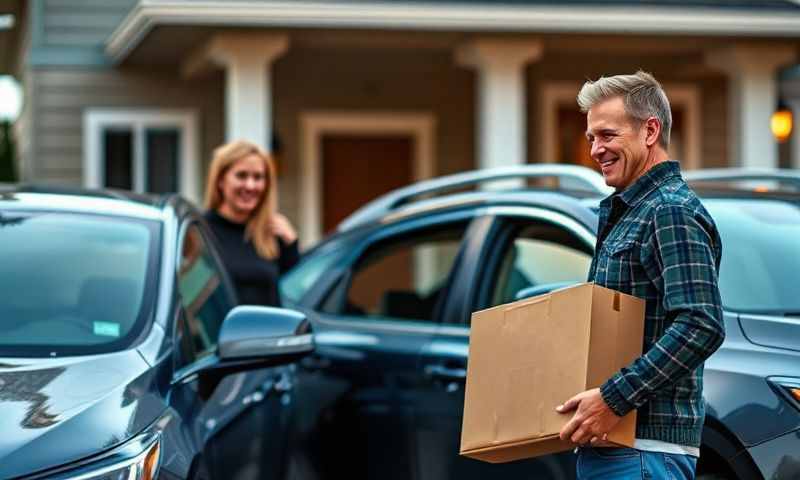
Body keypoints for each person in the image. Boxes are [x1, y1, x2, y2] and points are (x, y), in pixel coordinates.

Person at [555, 71, 725, 480]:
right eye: (591, 138)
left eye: (607, 135)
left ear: (650, 131)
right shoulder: (631, 211)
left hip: (645, 451)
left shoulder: (669, 210)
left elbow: (701, 324)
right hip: (617, 447)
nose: (595, 149)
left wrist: (613, 399)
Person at [203, 139, 299, 307]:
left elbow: (294, 291)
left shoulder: (273, 232)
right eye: (241, 175)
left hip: (269, 332)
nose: (250, 185)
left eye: (258, 177)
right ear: (220, 181)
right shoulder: (201, 230)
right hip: (220, 333)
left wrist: (291, 243)